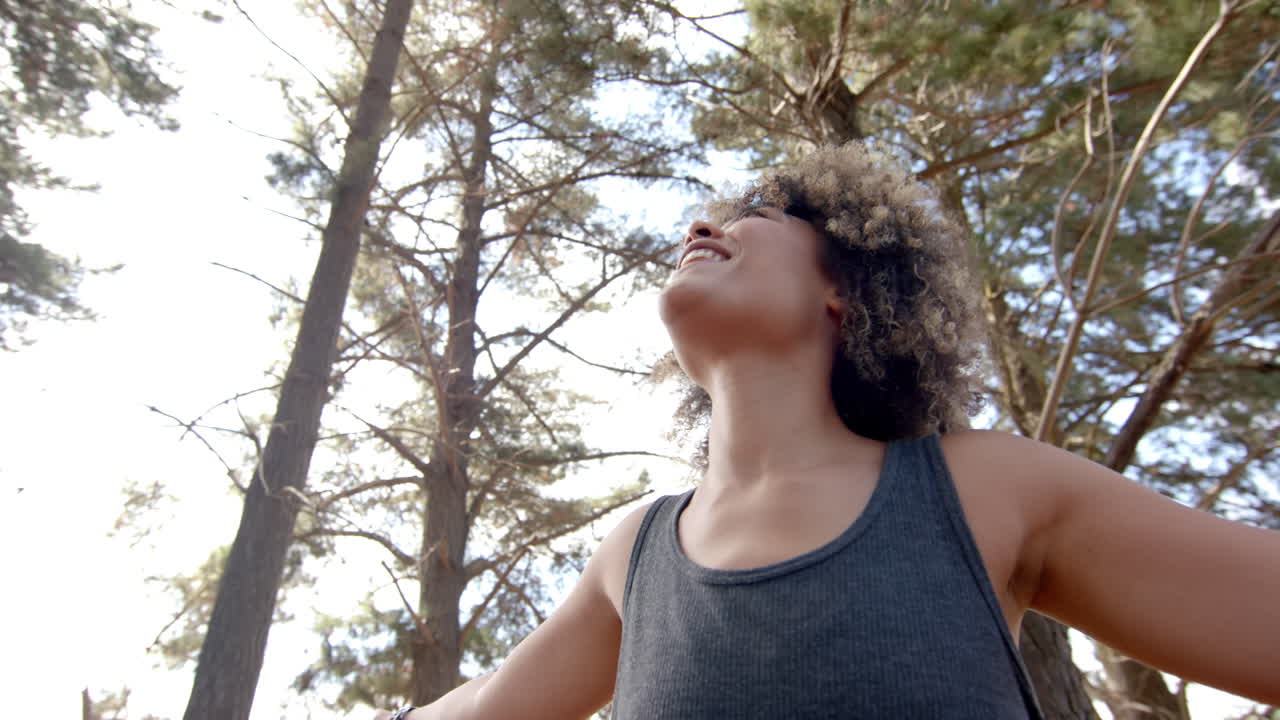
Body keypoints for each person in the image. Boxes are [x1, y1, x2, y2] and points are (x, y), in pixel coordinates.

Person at [376, 145, 1280, 719]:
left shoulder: (985, 489)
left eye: (754, 219)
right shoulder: (634, 557)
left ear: (845, 290)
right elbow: (486, 704)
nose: (701, 226)